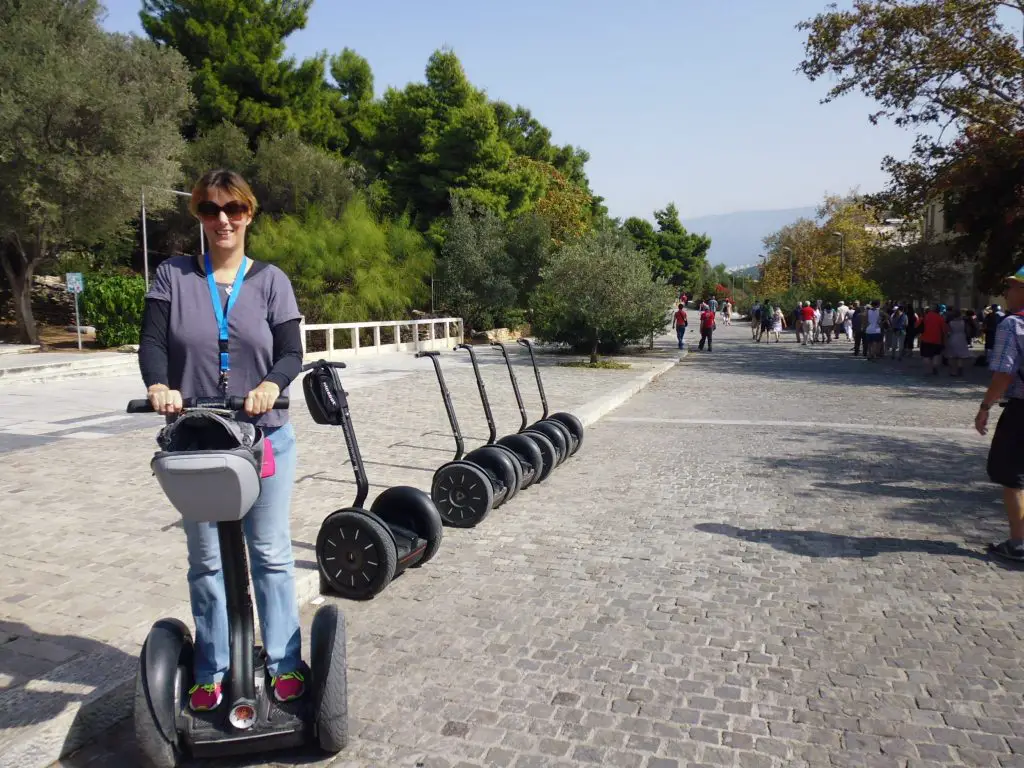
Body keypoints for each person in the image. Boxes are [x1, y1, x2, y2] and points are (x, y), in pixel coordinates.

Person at [138, 169, 306, 711]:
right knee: (206, 560)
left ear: (249, 213)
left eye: (234, 209)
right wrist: (159, 385)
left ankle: (284, 662)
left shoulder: (271, 280)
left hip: (263, 439)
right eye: (211, 210)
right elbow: (154, 342)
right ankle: (211, 667)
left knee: (272, 556)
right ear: (200, 217)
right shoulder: (173, 275)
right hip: (198, 443)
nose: (223, 219)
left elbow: (290, 352)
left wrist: (271, 385)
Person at [975, 267, 1024, 562]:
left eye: (1013, 286)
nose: (1007, 292)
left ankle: (1018, 542)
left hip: (1022, 410)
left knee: (1013, 475)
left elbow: (1003, 375)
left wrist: (984, 409)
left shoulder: (1012, 325)